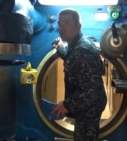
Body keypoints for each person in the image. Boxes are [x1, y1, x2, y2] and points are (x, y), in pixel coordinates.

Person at [51, 8, 107, 141]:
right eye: (60, 24)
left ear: (78, 26)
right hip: (83, 103)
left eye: (67, 23)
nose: (62, 28)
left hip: (89, 107)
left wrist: (66, 104)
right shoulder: (75, 45)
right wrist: (60, 49)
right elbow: (72, 60)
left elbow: (91, 91)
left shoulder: (83, 50)